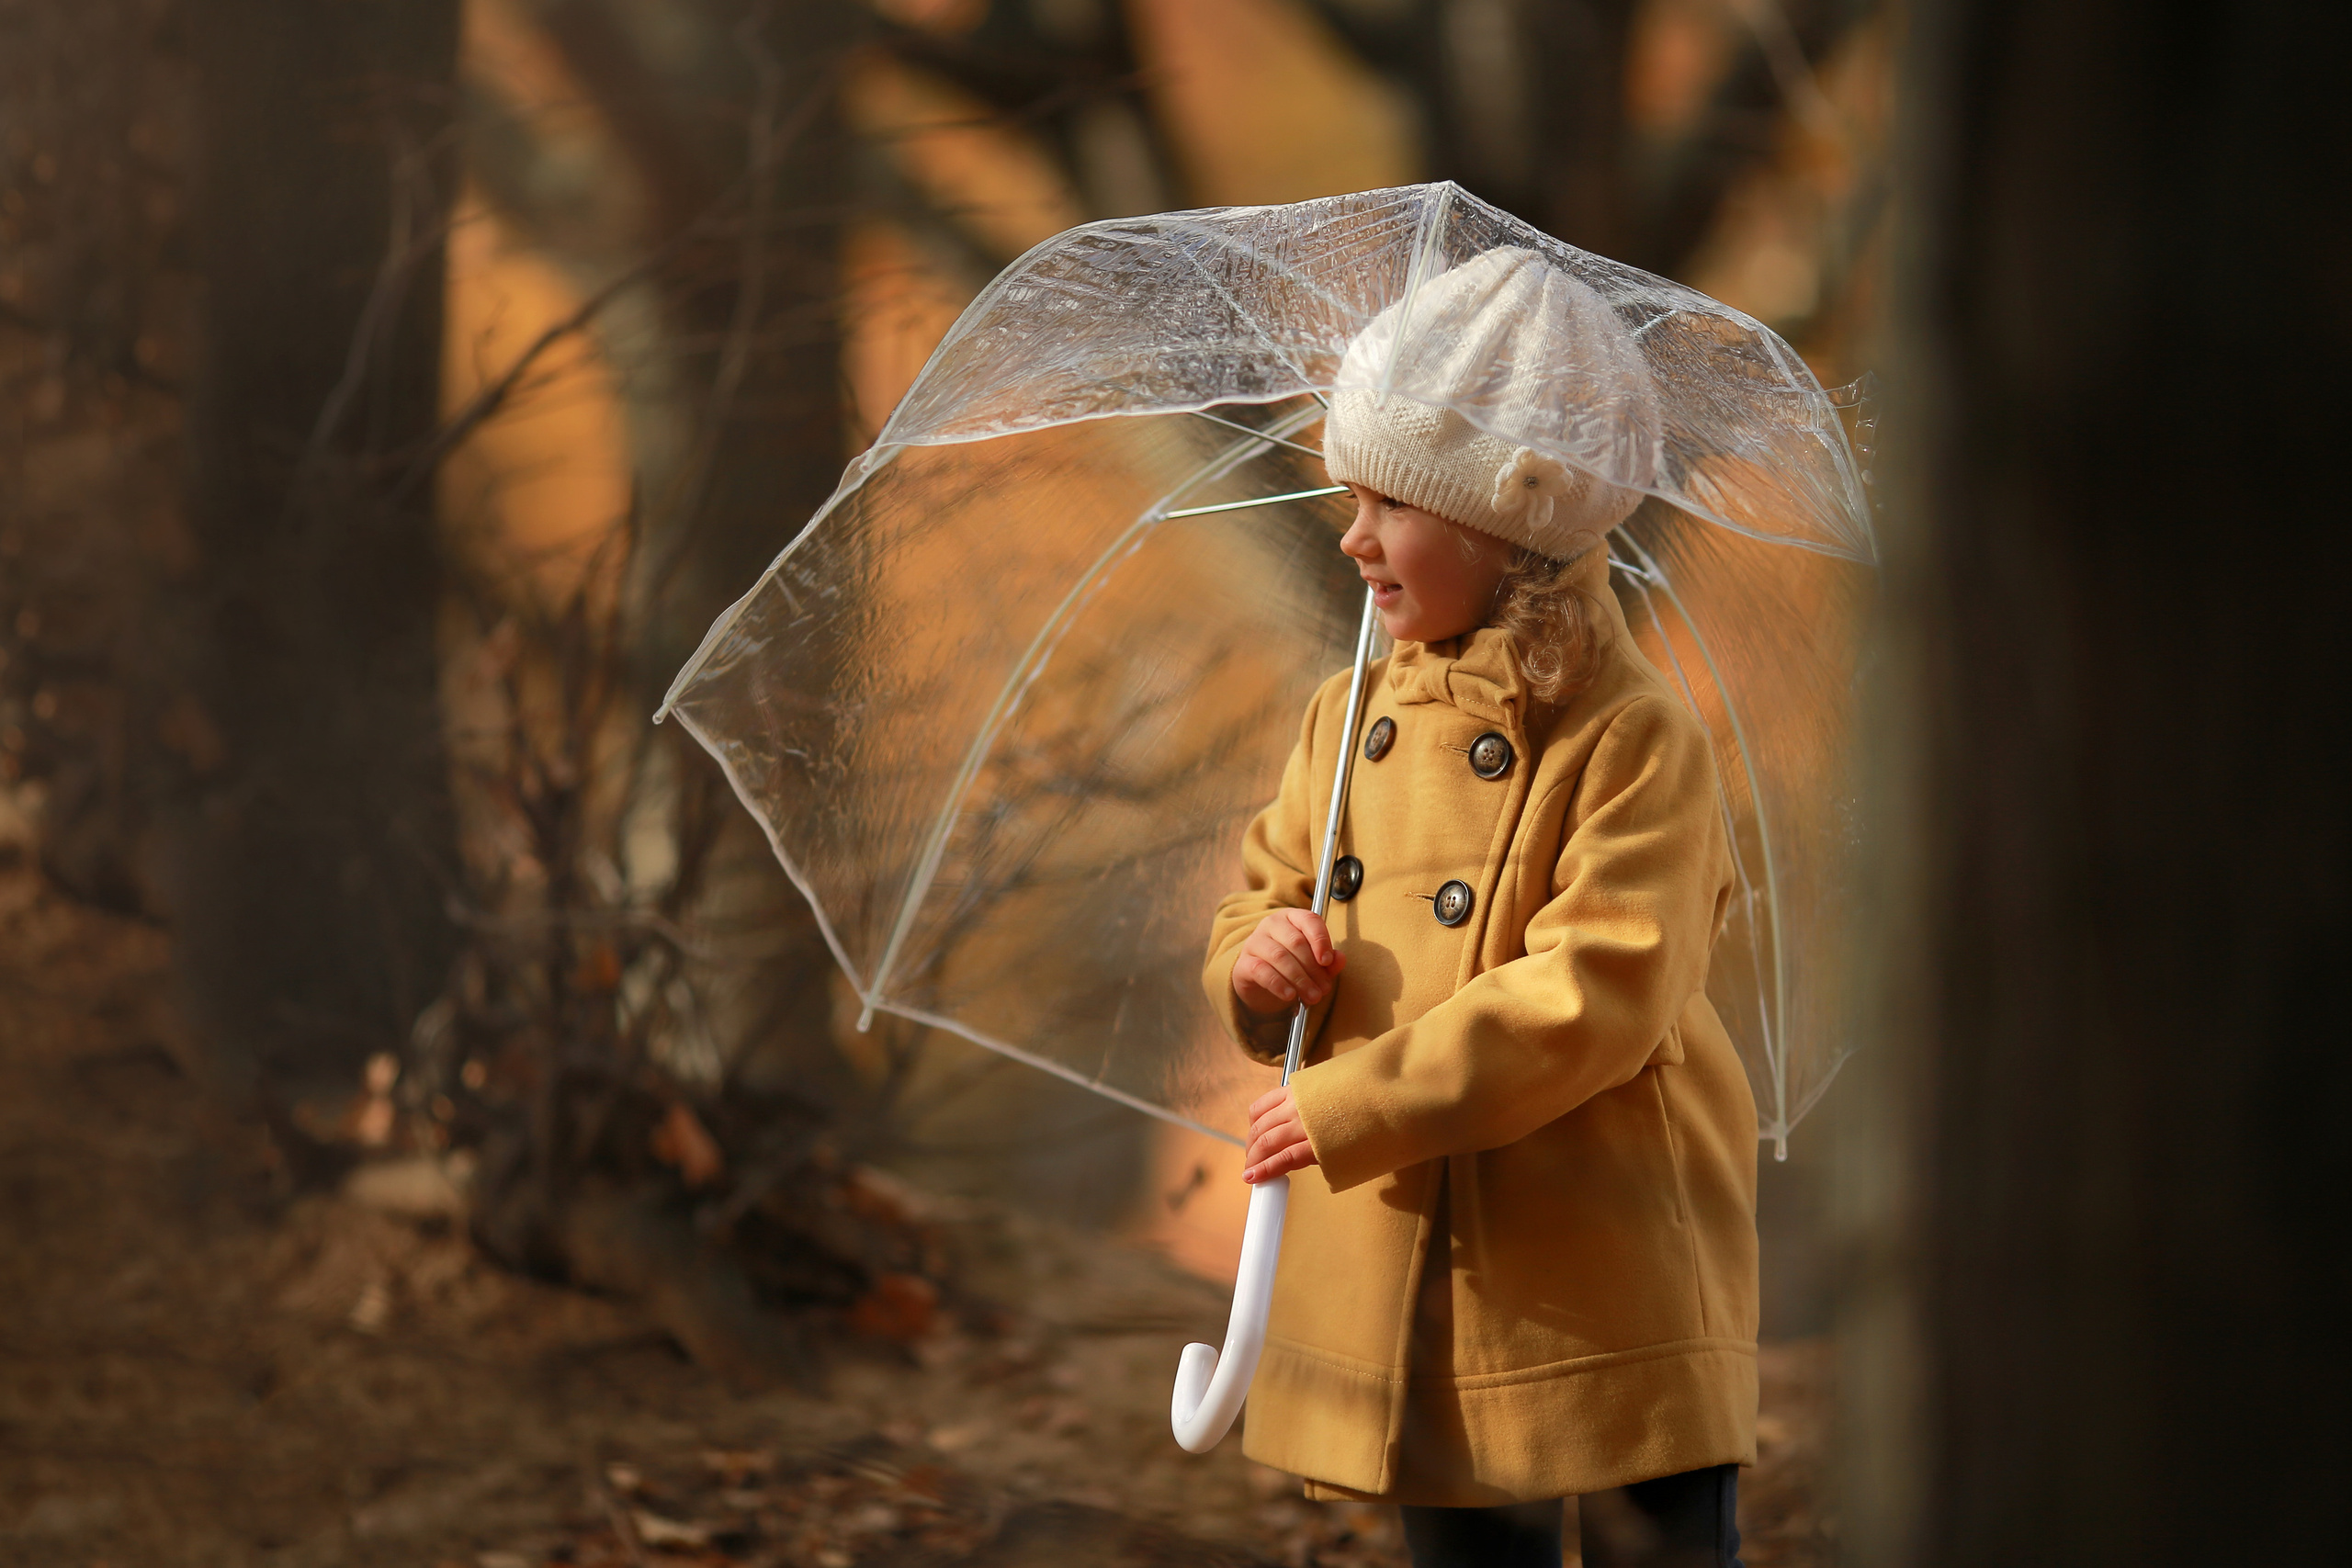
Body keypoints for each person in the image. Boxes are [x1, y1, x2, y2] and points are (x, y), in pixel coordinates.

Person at [1201, 248, 1757, 1568]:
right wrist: (1259, 964)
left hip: (1600, 1253)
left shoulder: (1632, 735)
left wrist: (1354, 1104)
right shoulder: (1348, 716)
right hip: (1420, 1248)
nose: (1352, 540)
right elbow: (1267, 890)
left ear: (1509, 520)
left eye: (1389, 503)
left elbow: (1594, 995)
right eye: (1349, 499)